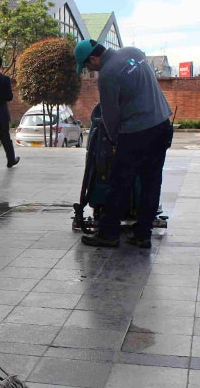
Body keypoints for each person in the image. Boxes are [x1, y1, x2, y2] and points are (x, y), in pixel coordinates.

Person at [74, 39, 174, 249]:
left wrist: (113, 140)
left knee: (120, 183)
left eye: (87, 66)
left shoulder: (108, 74)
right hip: (163, 124)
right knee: (151, 182)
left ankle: (108, 234)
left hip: (137, 132)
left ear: (93, 58)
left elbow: (110, 115)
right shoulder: (133, 52)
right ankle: (142, 234)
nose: (89, 70)